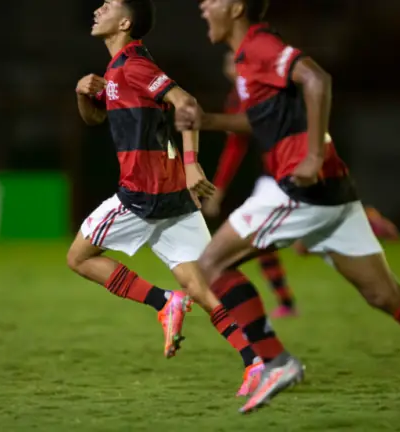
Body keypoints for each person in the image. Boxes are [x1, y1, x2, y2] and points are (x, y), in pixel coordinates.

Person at [177, 0, 400, 428]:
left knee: (209, 266)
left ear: (236, 8)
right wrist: (208, 119)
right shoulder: (247, 58)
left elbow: (317, 78)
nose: (202, 7)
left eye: (212, 0)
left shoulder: (259, 45)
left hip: (301, 189)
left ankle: (275, 361)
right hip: (333, 192)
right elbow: (262, 123)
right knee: (385, 295)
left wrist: (310, 155)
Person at [67, 0, 263, 396]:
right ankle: (255, 363)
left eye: (109, 4)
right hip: (172, 198)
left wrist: (192, 163)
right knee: (202, 288)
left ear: (124, 22)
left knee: (79, 258)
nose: (99, 6)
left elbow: (186, 102)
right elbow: (95, 118)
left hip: (143, 195)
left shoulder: (134, 66)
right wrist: (82, 94)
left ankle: (163, 302)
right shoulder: (116, 70)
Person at [203, 51, 400, 319]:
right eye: (228, 63)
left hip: (286, 175)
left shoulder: (261, 90)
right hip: (281, 173)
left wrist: (220, 190)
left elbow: (236, 147)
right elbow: (236, 146)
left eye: (236, 63)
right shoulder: (242, 96)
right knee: (269, 240)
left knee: (253, 242)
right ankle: (364, 221)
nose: (232, 68)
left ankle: (281, 317)